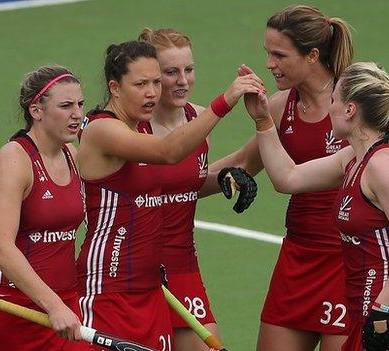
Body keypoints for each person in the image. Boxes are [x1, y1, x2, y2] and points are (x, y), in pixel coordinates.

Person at [75, 40, 264, 351]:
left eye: (155, 83)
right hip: (109, 285)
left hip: (153, 280)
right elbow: (168, 152)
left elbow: (175, 181)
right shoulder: (102, 130)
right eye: (141, 84)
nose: (152, 92)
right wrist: (225, 101)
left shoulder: (146, 126)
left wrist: (222, 175)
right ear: (115, 87)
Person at [244, 61, 389, 351]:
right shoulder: (352, 159)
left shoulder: (385, 164)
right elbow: (287, 177)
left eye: (334, 101)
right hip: (365, 317)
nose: (329, 108)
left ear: (350, 110)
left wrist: (382, 312)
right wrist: (263, 121)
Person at [210, 5, 358, 351]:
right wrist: (167, 185)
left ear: (312, 56)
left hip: (347, 261)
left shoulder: (356, 102)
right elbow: (241, 164)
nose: (269, 64)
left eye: (279, 55)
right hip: (297, 259)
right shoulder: (278, 106)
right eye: (267, 53)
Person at [137, 27, 258, 351]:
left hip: (182, 262)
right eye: (171, 72)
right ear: (149, 77)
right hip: (132, 266)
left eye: (188, 70)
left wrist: (219, 178)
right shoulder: (130, 128)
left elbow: (183, 184)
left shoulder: (198, 117)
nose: (182, 80)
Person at [0, 66, 90, 350]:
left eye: (80, 104)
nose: (77, 113)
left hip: (65, 310)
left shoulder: (71, 155)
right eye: (65, 106)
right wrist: (53, 305)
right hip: (10, 311)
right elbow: (1, 247)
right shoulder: (14, 159)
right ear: (36, 111)